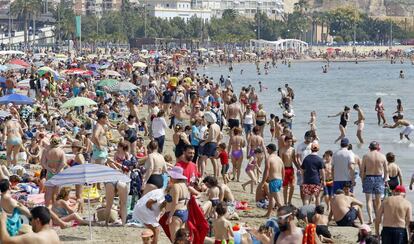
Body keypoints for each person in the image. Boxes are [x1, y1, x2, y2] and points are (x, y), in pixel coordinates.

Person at [360, 141, 388, 225]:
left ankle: (370, 219)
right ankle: (378, 218)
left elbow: (362, 171)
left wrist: (362, 180)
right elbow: (386, 171)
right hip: (379, 178)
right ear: (377, 148)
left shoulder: (366, 156)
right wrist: (385, 180)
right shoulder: (382, 156)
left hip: (368, 177)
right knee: (378, 201)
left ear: (370, 148)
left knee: (368, 200)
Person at [163, 166, 190, 242]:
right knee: (182, 238)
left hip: (176, 214)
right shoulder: (184, 185)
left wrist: (170, 216)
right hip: (184, 212)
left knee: (175, 239)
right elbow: (188, 199)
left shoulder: (175, 186)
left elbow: (175, 202)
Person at [41, 136, 66, 207]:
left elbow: (43, 163)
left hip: (50, 172)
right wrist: (57, 170)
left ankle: (47, 206)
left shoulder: (46, 150)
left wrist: (49, 169)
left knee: (48, 191)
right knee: (57, 192)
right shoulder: (61, 151)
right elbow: (63, 163)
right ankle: (55, 207)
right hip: (59, 173)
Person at [262, 143, 283, 218]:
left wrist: (262, 182)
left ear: (270, 149)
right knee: (271, 198)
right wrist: (282, 181)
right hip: (279, 180)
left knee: (279, 202)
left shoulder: (269, 158)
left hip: (274, 181)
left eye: (267, 149)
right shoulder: (279, 159)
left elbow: (266, 171)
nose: (266, 150)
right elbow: (283, 170)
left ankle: (286, 216)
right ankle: (268, 214)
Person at [199, 112, 221, 177]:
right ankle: (216, 175)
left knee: (203, 159)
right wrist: (217, 145)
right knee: (213, 159)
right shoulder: (218, 126)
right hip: (214, 143)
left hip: (210, 143)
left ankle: (202, 175)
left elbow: (211, 137)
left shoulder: (211, 126)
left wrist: (204, 142)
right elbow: (219, 137)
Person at [279, 135, 297, 205]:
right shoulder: (282, 150)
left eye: (291, 141)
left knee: (292, 186)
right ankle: (285, 202)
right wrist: (280, 171)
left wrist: (298, 168)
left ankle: (289, 201)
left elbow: (294, 160)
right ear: (285, 142)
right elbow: (280, 162)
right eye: (288, 141)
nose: (290, 143)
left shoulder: (293, 149)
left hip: (291, 169)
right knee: (285, 187)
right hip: (284, 169)